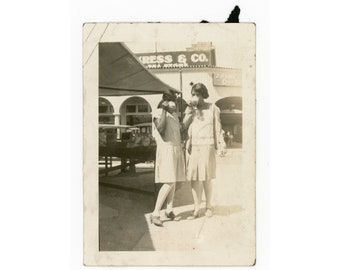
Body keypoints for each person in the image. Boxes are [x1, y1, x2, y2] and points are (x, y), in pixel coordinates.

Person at [183, 82, 227, 219]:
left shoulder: (213, 108)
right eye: (192, 95)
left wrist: (220, 144)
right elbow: (183, 127)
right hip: (194, 147)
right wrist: (189, 113)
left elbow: (217, 127)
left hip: (207, 146)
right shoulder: (190, 109)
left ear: (203, 95)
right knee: (194, 179)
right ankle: (196, 209)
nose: (194, 97)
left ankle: (208, 206)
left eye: (196, 94)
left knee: (207, 177)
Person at [150, 90, 185, 227]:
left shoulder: (175, 115)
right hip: (166, 149)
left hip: (176, 148)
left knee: (174, 181)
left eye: (175, 101)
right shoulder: (158, 112)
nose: (175, 103)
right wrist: (164, 110)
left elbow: (179, 131)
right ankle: (155, 213)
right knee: (169, 181)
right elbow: (161, 129)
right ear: (166, 101)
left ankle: (169, 210)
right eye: (173, 101)